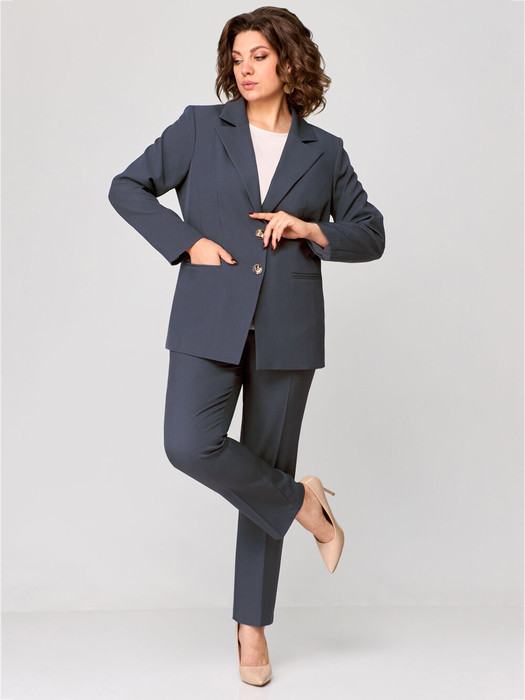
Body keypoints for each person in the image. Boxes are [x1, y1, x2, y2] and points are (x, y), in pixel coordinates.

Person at [108, 6, 385, 687]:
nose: (245, 68)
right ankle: (303, 504)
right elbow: (127, 186)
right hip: (208, 318)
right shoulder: (200, 127)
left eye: (258, 55)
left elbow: (371, 232)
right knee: (188, 443)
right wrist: (187, 243)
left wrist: (312, 229)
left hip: (288, 328)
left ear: (289, 61)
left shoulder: (325, 150)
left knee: (263, 463)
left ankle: (251, 628)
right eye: (236, 57)